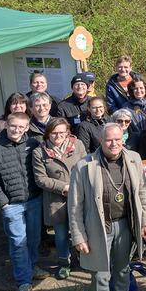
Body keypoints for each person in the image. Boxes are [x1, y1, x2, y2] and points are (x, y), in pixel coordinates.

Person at [68, 124, 146, 291]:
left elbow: (142, 192)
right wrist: (79, 236)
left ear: (122, 138)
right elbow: (74, 205)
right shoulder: (84, 165)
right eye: (108, 140)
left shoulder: (133, 158)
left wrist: (145, 221)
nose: (114, 144)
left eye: (117, 139)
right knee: (99, 274)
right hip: (97, 227)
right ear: (101, 141)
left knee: (123, 270)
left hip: (125, 224)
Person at [0, 112, 46, 291]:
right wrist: (3, 203)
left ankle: (32, 266)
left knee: (33, 239)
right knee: (18, 243)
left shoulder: (33, 145)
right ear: (6, 126)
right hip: (12, 206)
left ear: (27, 128)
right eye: (13, 126)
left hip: (34, 200)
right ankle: (24, 281)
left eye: (21, 127)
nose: (16, 130)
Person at [31, 117, 85, 281]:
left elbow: (87, 167)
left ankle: (82, 256)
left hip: (79, 197)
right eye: (54, 133)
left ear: (68, 132)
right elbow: (40, 179)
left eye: (62, 132)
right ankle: (64, 262)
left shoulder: (78, 145)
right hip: (56, 199)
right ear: (47, 134)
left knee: (81, 230)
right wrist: (64, 188)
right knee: (61, 235)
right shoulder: (39, 152)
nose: (58, 136)